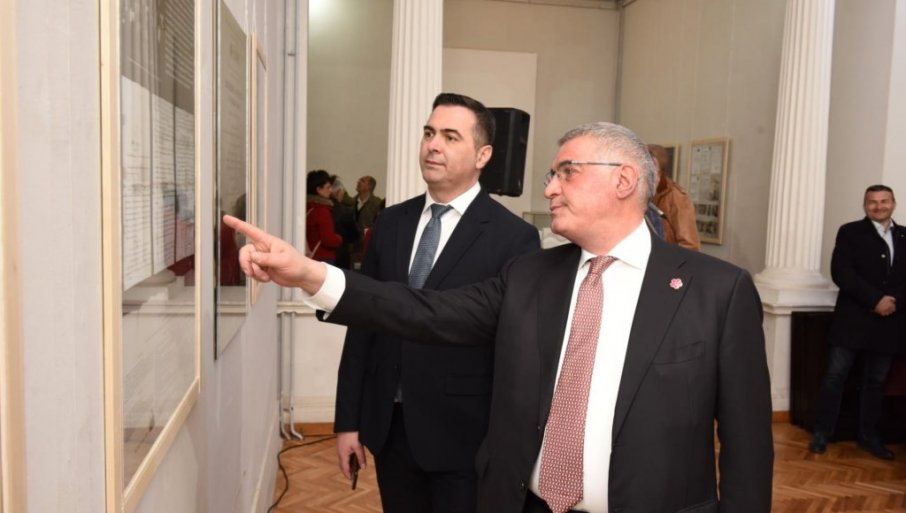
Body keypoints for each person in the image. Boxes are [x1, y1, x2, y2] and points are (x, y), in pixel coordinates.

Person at [224, 120, 773, 513]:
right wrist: (310, 274)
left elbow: (748, 449)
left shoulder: (717, 291)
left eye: (566, 173)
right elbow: (425, 311)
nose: (549, 188)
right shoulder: (530, 275)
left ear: (624, 180)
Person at [335, 93, 539, 513]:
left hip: (464, 437)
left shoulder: (513, 238)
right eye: (429, 133)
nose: (433, 145)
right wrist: (348, 422)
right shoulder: (390, 222)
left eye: (450, 136)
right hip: (390, 429)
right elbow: (364, 324)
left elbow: (516, 352)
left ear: (483, 155)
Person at [808, 185, 906, 460]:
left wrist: (894, 302)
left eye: (884, 201)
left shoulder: (904, 235)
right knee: (834, 377)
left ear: (893, 204)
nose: (879, 206)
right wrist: (875, 300)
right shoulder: (850, 232)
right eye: (872, 202)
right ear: (865, 206)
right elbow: (842, 273)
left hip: (890, 323)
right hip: (853, 321)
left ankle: (869, 437)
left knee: (876, 382)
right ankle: (821, 433)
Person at [648, 144, 700, 250]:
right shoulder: (639, 194)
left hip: (666, 257)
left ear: (661, 173)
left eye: (652, 172)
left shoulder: (676, 197)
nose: (648, 177)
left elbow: (690, 245)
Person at [306, 169, 343, 264]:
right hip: (323, 257)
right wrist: (339, 238)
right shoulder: (321, 210)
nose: (331, 190)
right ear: (318, 189)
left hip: (310, 255)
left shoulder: (307, 207)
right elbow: (328, 239)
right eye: (328, 187)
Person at [351, 175, 383, 267]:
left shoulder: (377, 203)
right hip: (352, 248)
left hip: (367, 246)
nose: (358, 182)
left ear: (370, 186)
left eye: (362, 181)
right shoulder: (351, 202)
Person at [329, 175, 360, 269]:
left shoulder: (318, 208)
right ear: (338, 192)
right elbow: (354, 235)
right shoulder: (345, 211)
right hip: (341, 255)